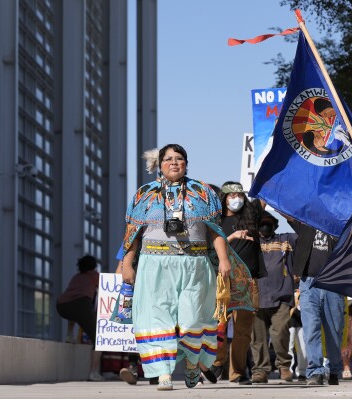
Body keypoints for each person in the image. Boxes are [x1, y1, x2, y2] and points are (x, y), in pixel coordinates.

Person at [119, 144, 242, 391]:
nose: (174, 163)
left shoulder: (203, 192)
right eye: (168, 159)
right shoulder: (144, 194)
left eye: (179, 158)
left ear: (186, 163)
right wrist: (127, 264)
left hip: (194, 265)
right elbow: (133, 234)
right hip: (154, 266)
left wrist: (224, 260)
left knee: (193, 319)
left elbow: (215, 231)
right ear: (160, 164)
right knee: (157, 318)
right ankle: (163, 374)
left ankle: (193, 362)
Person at [209, 181, 267, 385]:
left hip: (248, 280)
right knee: (219, 325)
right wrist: (232, 236)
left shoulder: (251, 216)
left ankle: (238, 373)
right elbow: (212, 247)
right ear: (223, 198)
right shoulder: (215, 221)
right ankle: (216, 365)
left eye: (240, 195)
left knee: (243, 330)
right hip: (223, 280)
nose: (237, 199)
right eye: (232, 196)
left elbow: (265, 193)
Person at [290, 221, 344, 386]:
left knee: (334, 330)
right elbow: (285, 208)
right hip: (308, 282)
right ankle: (315, 371)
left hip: (333, 282)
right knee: (310, 328)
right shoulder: (304, 221)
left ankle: (334, 369)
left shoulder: (338, 223)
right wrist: (265, 195)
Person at [249, 211, 297, 384]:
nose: (265, 226)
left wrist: (285, 212)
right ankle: (260, 371)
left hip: (282, 296)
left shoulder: (286, 240)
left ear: (275, 226)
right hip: (256, 298)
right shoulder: (251, 243)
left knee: (280, 333)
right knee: (257, 339)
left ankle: (284, 366)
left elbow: (303, 231)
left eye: (269, 224)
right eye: (262, 223)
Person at [56, 255, 103, 381]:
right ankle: (93, 373)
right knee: (99, 339)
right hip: (80, 305)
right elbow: (105, 289)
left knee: (74, 313)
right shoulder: (94, 275)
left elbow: (72, 297)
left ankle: (69, 335)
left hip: (61, 306)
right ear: (93, 266)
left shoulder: (76, 277)